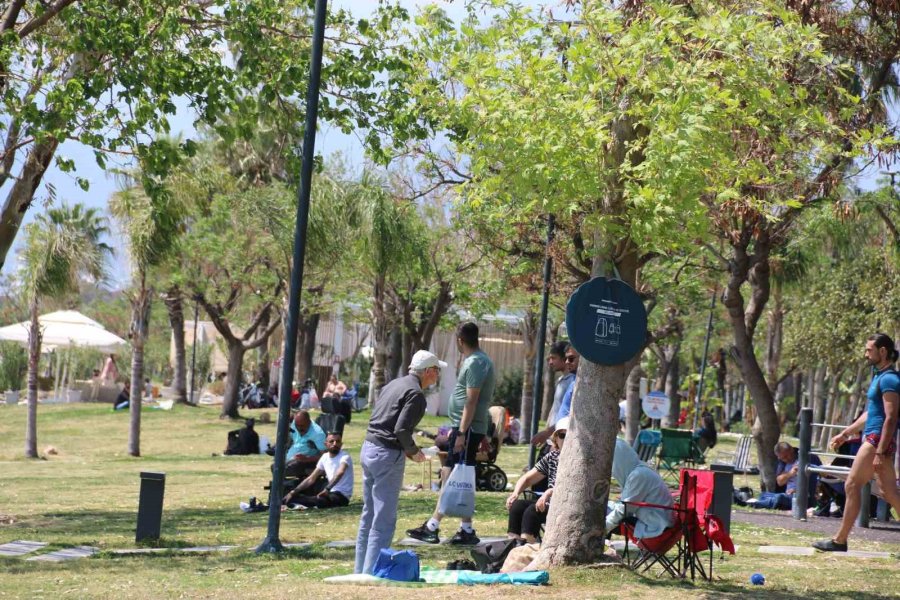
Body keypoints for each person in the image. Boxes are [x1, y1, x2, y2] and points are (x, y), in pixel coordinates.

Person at [355, 349, 445, 574]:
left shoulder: (393, 384)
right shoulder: (415, 394)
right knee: (384, 518)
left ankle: (360, 569)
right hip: (386, 454)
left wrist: (408, 448)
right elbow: (401, 429)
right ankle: (373, 572)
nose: (437, 375)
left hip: (369, 448)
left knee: (369, 513)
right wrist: (413, 451)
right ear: (428, 371)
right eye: (436, 370)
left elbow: (384, 420)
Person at [406, 322, 496, 546]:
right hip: (467, 427)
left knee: (452, 474)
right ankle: (463, 527)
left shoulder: (476, 362)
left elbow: (471, 400)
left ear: (459, 340)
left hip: (466, 427)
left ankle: (434, 526)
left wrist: (463, 432)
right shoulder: (478, 360)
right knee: (456, 475)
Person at [813, 333, 900, 552]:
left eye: (869, 350)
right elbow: (871, 413)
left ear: (883, 351)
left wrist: (879, 452)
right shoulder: (878, 375)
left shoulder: (890, 379)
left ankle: (840, 540)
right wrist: (846, 433)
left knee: (852, 484)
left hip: (876, 440)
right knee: (889, 492)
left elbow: (891, 418)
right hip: (873, 439)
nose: (865, 354)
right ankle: (839, 540)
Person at [505, 417, 568, 544]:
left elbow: (571, 487)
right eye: (562, 435)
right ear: (555, 438)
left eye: (570, 435)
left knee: (532, 511)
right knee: (517, 506)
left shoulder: (581, 460)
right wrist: (515, 494)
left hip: (567, 503)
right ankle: (512, 549)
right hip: (549, 501)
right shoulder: (553, 457)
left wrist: (549, 492)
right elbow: (527, 478)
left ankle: (527, 549)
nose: (566, 439)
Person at [606, 438, 675, 539]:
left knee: (601, 513)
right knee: (605, 508)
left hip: (655, 524)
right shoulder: (639, 470)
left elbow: (625, 509)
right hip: (655, 517)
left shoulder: (638, 475)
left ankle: (598, 544)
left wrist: (605, 526)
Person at [282, 433, 353, 509]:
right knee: (291, 491)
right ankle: (291, 501)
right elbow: (311, 478)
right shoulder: (325, 457)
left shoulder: (345, 457)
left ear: (341, 444)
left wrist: (327, 489)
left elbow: (340, 473)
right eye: (332, 441)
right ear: (326, 444)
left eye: (338, 441)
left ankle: (293, 502)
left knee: (321, 500)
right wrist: (293, 492)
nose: (335, 444)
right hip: (329, 492)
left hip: (341, 496)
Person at [747, 442, 820, 510]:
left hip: (802, 497)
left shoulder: (805, 461)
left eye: (787, 456)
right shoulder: (786, 464)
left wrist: (798, 490)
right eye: (783, 458)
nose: (786, 459)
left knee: (779, 498)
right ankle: (761, 503)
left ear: (791, 449)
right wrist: (790, 473)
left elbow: (814, 481)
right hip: (787, 495)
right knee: (763, 495)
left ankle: (753, 504)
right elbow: (779, 482)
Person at [531, 342, 575, 446]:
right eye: (549, 359)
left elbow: (569, 415)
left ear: (564, 359)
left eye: (553, 358)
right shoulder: (560, 380)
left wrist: (547, 433)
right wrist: (547, 432)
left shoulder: (573, 382)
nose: (550, 362)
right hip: (552, 437)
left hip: (562, 437)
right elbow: (555, 409)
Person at [284, 410, 326, 480]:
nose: (299, 428)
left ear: (309, 422)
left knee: (285, 468)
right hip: (289, 458)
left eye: (302, 426)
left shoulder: (317, 434)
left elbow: (326, 457)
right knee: (276, 466)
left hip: (306, 462)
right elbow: (290, 438)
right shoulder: (295, 424)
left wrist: (307, 459)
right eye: (297, 426)